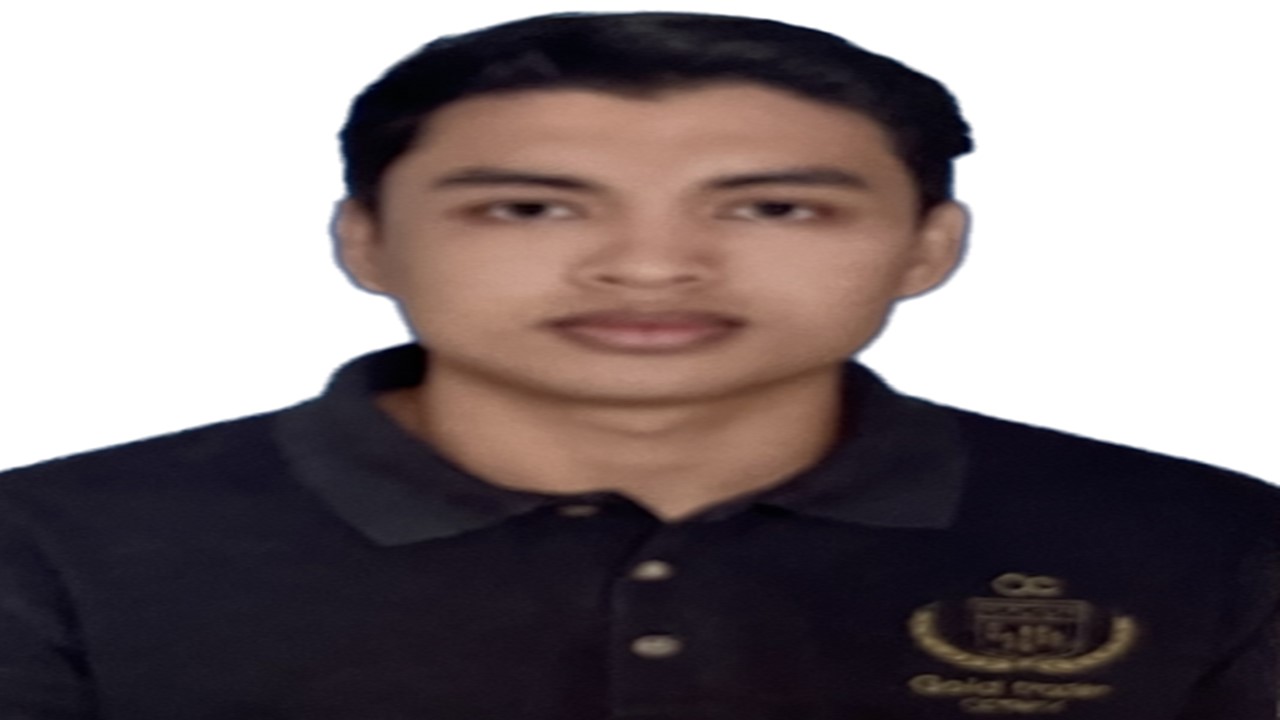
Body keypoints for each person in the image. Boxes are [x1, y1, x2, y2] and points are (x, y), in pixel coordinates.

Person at [1, 11, 1276, 719]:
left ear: (927, 245)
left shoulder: (1213, 545)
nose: (651, 267)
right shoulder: (46, 552)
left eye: (772, 208)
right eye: (530, 208)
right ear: (365, 239)